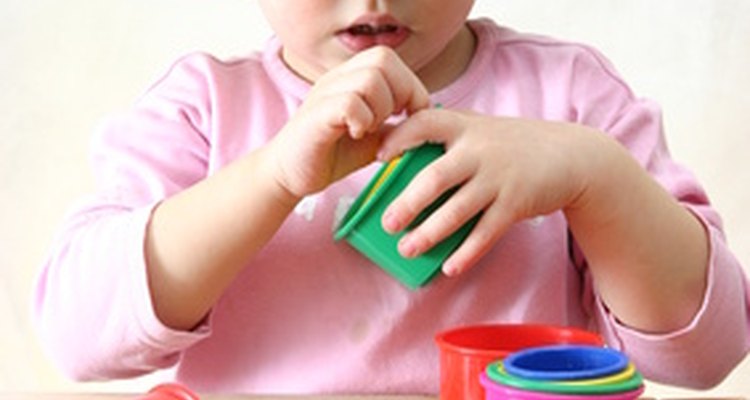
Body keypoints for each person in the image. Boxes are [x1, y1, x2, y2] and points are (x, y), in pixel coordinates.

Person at [34, 0, 749, 394]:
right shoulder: (204, 108)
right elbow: (79, 337)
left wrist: (596, 176)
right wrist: (271, 178)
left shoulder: (572, 100)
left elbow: (707, 353)